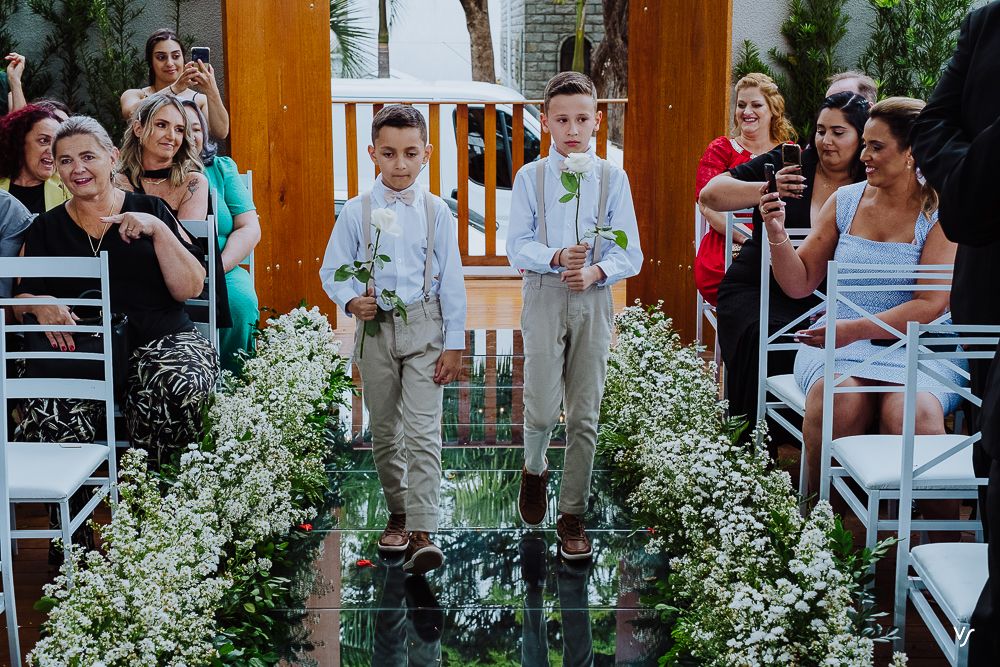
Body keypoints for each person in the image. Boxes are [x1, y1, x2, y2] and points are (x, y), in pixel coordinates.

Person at [760, 98, 962, 508]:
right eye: (865, 144)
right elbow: (799, 284)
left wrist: (852, 330)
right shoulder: (846, 200)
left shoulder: (940, 212)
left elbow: (929, 305)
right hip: (841, 346)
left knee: (914, 416)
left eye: (876, 146)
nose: (864, 156)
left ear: (911, 152)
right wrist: (777, 233)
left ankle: (938, 539)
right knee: (838, 401)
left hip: (917, 349)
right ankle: (819, 525)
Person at [12, 116, 218, 460]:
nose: (78, 168)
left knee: (178, 386)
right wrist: (38, 303)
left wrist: (158, 230)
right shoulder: (45, 228)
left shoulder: (151, 209)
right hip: (80, 352)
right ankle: (79, 494)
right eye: (66, 160)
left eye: (88, 156)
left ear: (113, 157)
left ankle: (162, 488)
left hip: (159, 340)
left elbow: (191, 288)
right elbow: (20, 299)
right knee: (48, 411)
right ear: (58, 170)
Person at [319, 104, 466, 575]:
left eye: (410, 153)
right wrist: (350, 301)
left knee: (423, 431)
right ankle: (399, 512)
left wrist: (454, 342)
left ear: (427, 154)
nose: (400, 164)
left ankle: (422, 530)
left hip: (425, 325)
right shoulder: (357, 211)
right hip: (376, 329)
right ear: (372, 154)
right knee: (385, 431)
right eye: (389, 153)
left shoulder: (437, 211)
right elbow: (332, 270)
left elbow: (452, 280)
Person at [507, 71, 643, 560]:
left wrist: (596, 271)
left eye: (582, 119)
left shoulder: (613, 178)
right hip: (544, 294)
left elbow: (630, 252)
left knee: (585, 412)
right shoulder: (530, 178)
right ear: (545, 122)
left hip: (594, 298)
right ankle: (534, 467)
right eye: (562, 119)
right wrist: (555, 256)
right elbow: (516, 246)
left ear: (597, 121)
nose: (572, 129)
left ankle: (572, 513)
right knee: (542, 407)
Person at [699, 92, 869, 444]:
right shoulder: (789, 162)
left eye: (838, 132)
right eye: (821, 130)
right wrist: (766, 188)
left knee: (830, 339)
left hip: (827, 296)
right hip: (757, 284)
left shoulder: (871, 183)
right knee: (760, 332)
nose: (826, 140)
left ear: (862, 137)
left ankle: (817, 437)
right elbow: (711, 194)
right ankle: (754, 443)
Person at [909, 2, 1000, 662]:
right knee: (992, 454)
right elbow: (933, 124)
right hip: (991, 284)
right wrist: (978, 179)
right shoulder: (986, 24)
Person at [694, 73, 795, 306]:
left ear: (773, 110)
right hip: (729, 242)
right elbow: (706, 204)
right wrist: (746, 239)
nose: (747, 111)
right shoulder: (722, 149)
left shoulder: (788, 152)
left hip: (779, 240)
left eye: (756, 105)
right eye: (741, 105)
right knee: (745, 283)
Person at [182, 100, 260, 373]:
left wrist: (217, 268)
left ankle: (233, 380)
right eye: (181, 128)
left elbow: (249, 227)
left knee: (240, 303)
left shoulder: (222, 168)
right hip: (171, 272)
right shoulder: (154, 176)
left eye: (196, 129)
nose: (189, 136)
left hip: (223, 266)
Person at [120, 28, 230, 140]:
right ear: (151, 62)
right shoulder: (135, 94)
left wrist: (212, 90)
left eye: (176, 56)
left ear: (183, 59)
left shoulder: (200, 100)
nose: (169, 63)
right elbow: (131, 113)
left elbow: (221, 132)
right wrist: (174, 89)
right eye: (161, 57)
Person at [115, 94, 208, 220]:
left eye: (179, 129)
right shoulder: (118, 181)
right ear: (138, 129)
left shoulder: (193, 182)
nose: (171, 136)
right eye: (161, 125)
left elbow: (188, 233)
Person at [0, 103, 70, 214]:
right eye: (44, 140)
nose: (52, 150)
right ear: (20, 142)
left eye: (56, 143)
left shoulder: (70, 190)